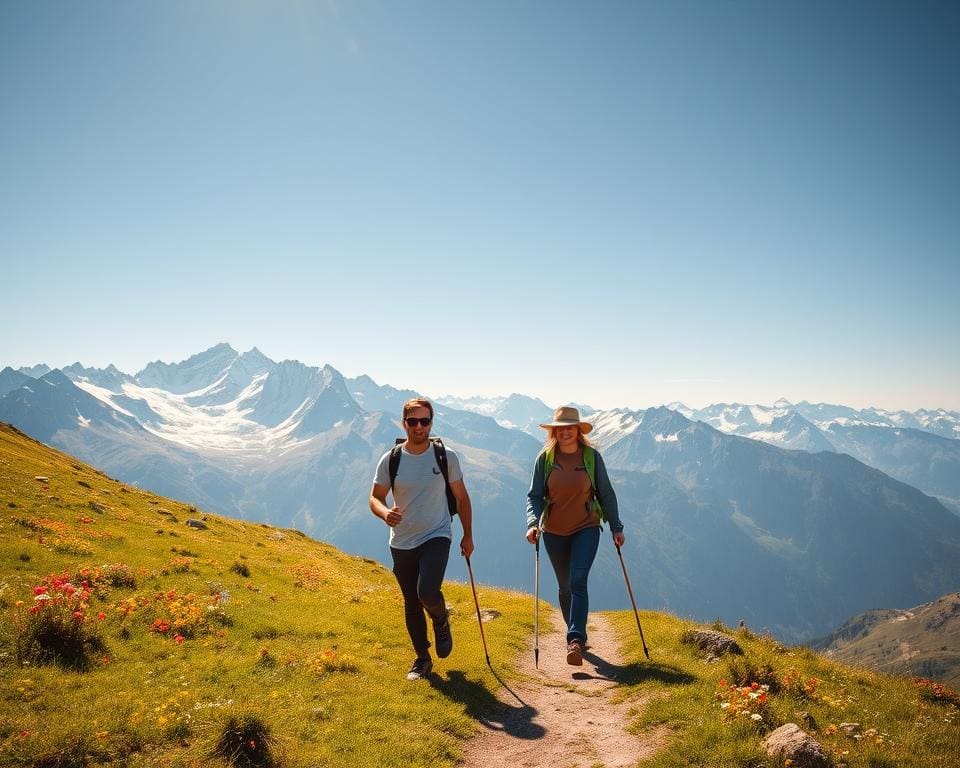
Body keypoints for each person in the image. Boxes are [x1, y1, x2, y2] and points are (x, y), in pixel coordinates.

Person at [370, 397, 474, 680]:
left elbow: (462, 498)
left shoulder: (446, 457)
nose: (419, 426)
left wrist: (468, 535)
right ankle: (422, 659)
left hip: (436, 534)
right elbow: (375, 498)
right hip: (401, 540)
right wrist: (384, 513)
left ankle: (440, 619)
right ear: (404, 423)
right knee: (411, 602)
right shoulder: (391, 459)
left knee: (427, 591)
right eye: (413, 421)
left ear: (431, 422)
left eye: (424, 421)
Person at [525, 406, 624, 666]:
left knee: (578, 580)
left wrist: (616, 527)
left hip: (586, 527)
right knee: (565, 586)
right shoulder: (545, 459)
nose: (565, 432)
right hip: (553, 531)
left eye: (570, 427)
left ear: (578, 430)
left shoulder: (591, 457)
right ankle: (576, 633)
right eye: (560, 428)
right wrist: (533, 523)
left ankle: (575, 639)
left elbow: (606, 493)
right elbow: (534, 496)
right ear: (554, 432)